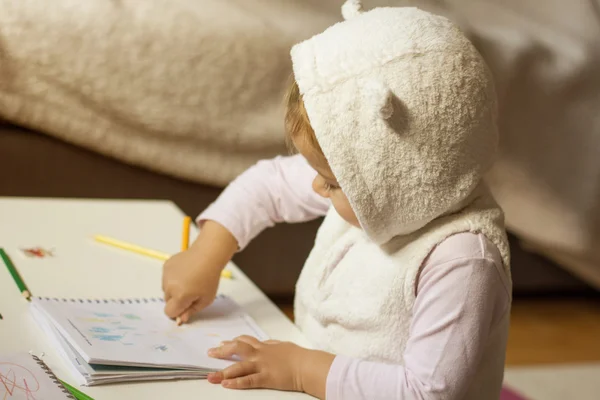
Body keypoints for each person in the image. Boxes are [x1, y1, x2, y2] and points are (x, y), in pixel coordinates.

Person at [162, 1, 512, 398]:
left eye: (329, 182)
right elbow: (268, 184)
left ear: (397, 179)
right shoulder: (379, 189)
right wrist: (207, 253)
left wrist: (298, 370)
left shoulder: (463, 260)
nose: (316, 188)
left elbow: (428, 392)